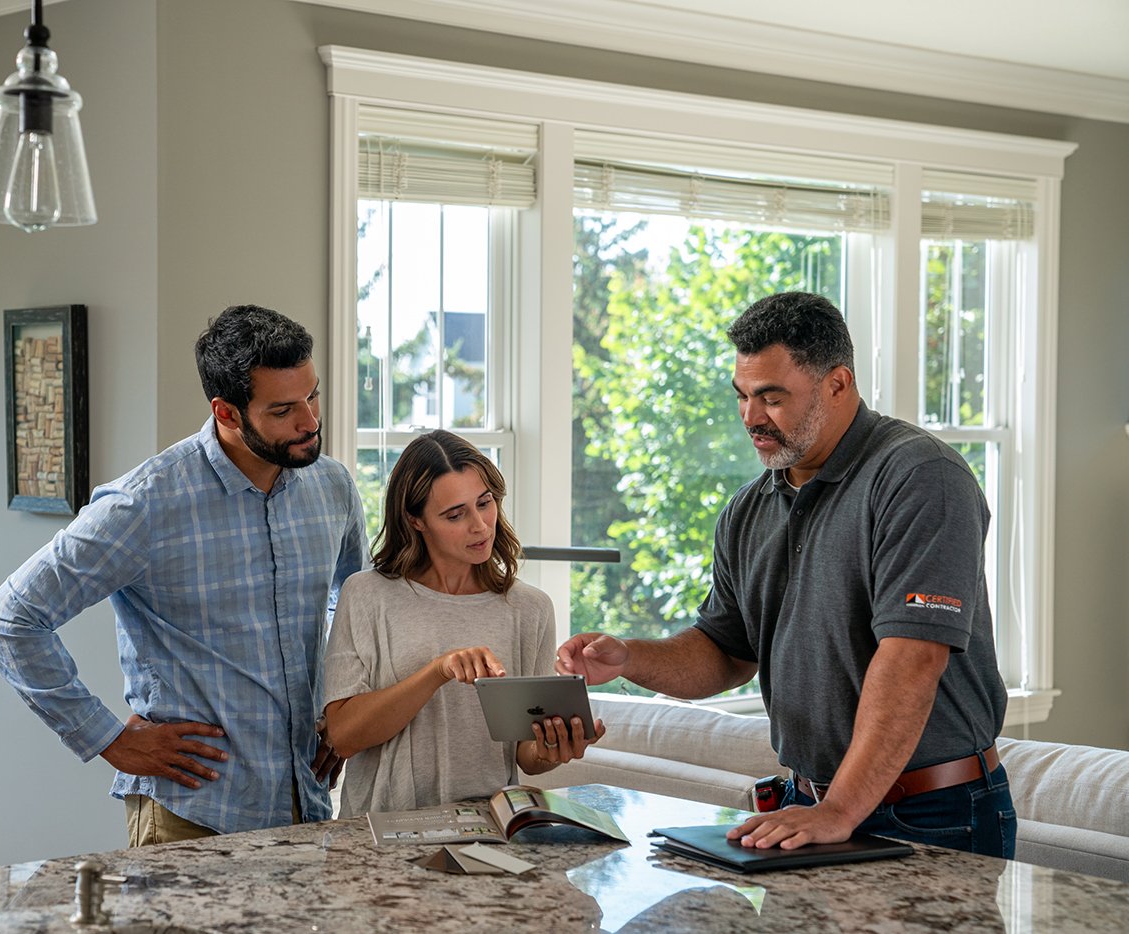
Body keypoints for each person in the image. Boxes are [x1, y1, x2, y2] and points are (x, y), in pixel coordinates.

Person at [556, 292, 1015, 859]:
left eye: (772, 398)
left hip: (933, 812)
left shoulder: (922, 477)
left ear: (838, 385)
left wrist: (838, 811)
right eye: (743, 396)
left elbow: (913, 658)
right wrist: (630, 658)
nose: (751, 417)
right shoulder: (747, 510)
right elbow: (725, 652)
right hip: (805, 810)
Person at [0, 304, 368, 845]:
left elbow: (351, 604)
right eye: (282, 410)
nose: (310, 421)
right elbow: (9, 619)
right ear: (227, 412)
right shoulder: (145, 504)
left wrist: (338, 702)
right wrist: (108, 737)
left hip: (309, 807)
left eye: (313, 395)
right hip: (191, 815)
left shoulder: (333, 487)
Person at [322, 430, 605, 818]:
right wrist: (438, 670)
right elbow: (343, 736)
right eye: (455, 514)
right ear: (415, 520)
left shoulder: (530, 608)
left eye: (484, 503)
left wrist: (549, 749)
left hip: (489, 830)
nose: (480, 526)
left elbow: (525, 754)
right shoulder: (368, 595)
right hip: (380, 833)